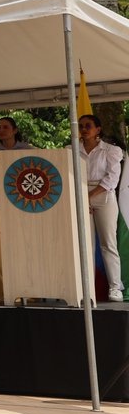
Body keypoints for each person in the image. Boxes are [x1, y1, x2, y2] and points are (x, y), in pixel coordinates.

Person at [78, 114, 124, 302]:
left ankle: (115, 287)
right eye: (80, 125)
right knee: (83, 244)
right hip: (79, 196)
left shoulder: (112, 150)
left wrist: (87, 197)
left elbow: (112, 179)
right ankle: (85, 288)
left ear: (98, 129)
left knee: (108, 244)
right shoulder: (71, 150)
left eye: (88, 125)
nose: (84, 129)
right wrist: (81, 198)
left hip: (103, 197)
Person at [0, 116, 32, 204]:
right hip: (2, 191)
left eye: (5, 127)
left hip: (26, 189)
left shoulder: (28, 149)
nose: (1, 130)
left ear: (15, 130)